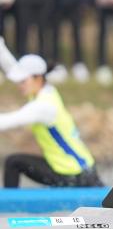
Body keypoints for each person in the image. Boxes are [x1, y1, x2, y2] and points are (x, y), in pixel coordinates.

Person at [0, 38, 101, 188]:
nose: (19, 85)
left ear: (38, 78)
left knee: (13, 162)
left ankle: (10, 205)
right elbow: (10, 66)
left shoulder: (44, 106)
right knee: (13, 162)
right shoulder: (41, 90)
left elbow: (6, 122)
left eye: (23, 81)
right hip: (68, 169)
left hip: (77, 175)